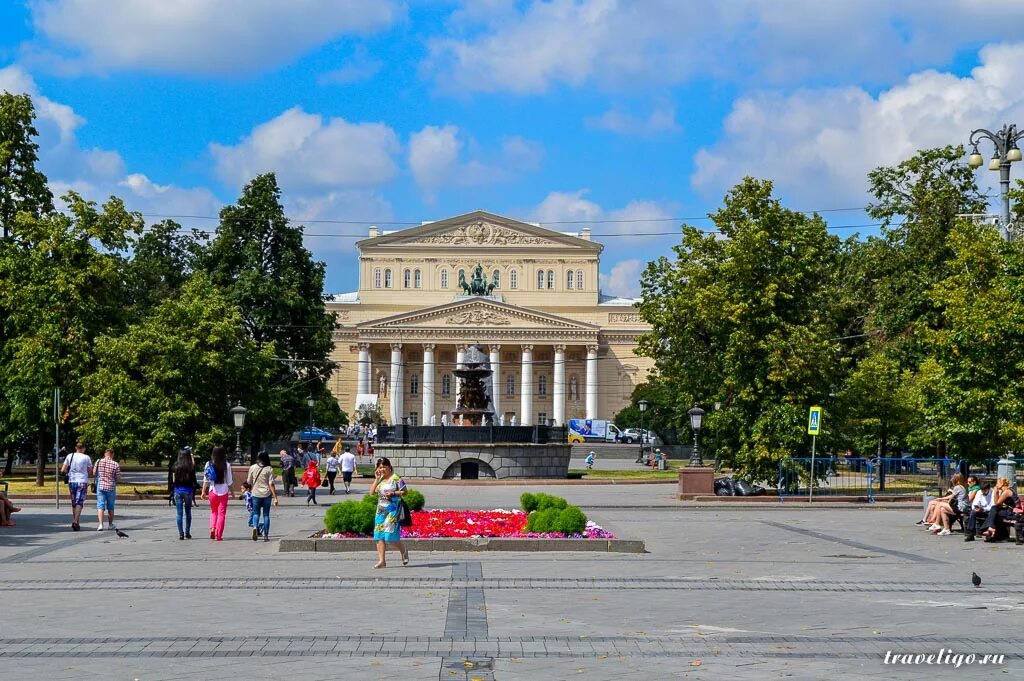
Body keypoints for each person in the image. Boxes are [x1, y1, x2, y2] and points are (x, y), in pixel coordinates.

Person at [369, 457, 409, 569]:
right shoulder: (380, 479)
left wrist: (394, 493)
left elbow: (405, 492)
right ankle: (382, 561)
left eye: (384, 467)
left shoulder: (396, 478)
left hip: (393, 510)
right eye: (380, 467)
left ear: (389, 467)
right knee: (379, 535)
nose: (382, 469)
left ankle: (403, 550)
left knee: (390, 537)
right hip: (380, 511)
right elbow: (371, 493)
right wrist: (376, 479)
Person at [200, 445, 233, 541]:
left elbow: (206, 479)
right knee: (221, 514)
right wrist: (232, 492)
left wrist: (203, 491)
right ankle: (218, 535)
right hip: (223, 492)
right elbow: (229, 481)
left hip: (212, 491)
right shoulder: (227, 465)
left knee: (213, 512)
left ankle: (212, 528)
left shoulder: (208, 463)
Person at [246, 451, 279, 541]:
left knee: (256, 513)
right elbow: (271, 484)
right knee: (266, 515)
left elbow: (248, 481)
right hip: (266, 494)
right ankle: (266, 535)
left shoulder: (252, 467)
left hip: (256, 493)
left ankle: (255, 527)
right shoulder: (269, 469)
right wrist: (275, 498)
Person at [61, 442, 93, 531]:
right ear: (84, 449)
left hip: (72, 481)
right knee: (80, 502)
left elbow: (63, 470)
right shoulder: (86, 457)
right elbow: (90, 471)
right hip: (82, 481)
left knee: (74, 502)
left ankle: (77, 522)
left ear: (76, 448)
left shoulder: (70, 456)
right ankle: (75, 521)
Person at [979, 477, 1019, 542]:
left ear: (1002, 483)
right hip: (1008, 511)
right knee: (994, 511)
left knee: (994, 510)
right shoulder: (1003, 491)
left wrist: (995, 492)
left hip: (1012, 513)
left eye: (997, 483)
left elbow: (997, 503)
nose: (996, 485)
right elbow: (997, 503)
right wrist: (997, 493)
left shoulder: (1007, 491)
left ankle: (989, 528)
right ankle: (993, 531)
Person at [169, 448, 198, 540]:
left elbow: (173, 480)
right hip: (188, 491)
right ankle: (187, 532)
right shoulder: (190, 467)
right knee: (188, 512)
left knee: (179, 513)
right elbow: (194, 475)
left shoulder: (175, 466)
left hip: (178, 490)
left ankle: (181, 534)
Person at [94, 448, 122, 531]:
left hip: (101, 486)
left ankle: (100, 525)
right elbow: (118, 477)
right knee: (111, 507)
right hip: (111, 487)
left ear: (105, 454)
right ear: (112, 454)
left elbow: (94, 472)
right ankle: (110, 524)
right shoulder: (115, 464)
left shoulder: (98, 461)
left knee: (100, 506)